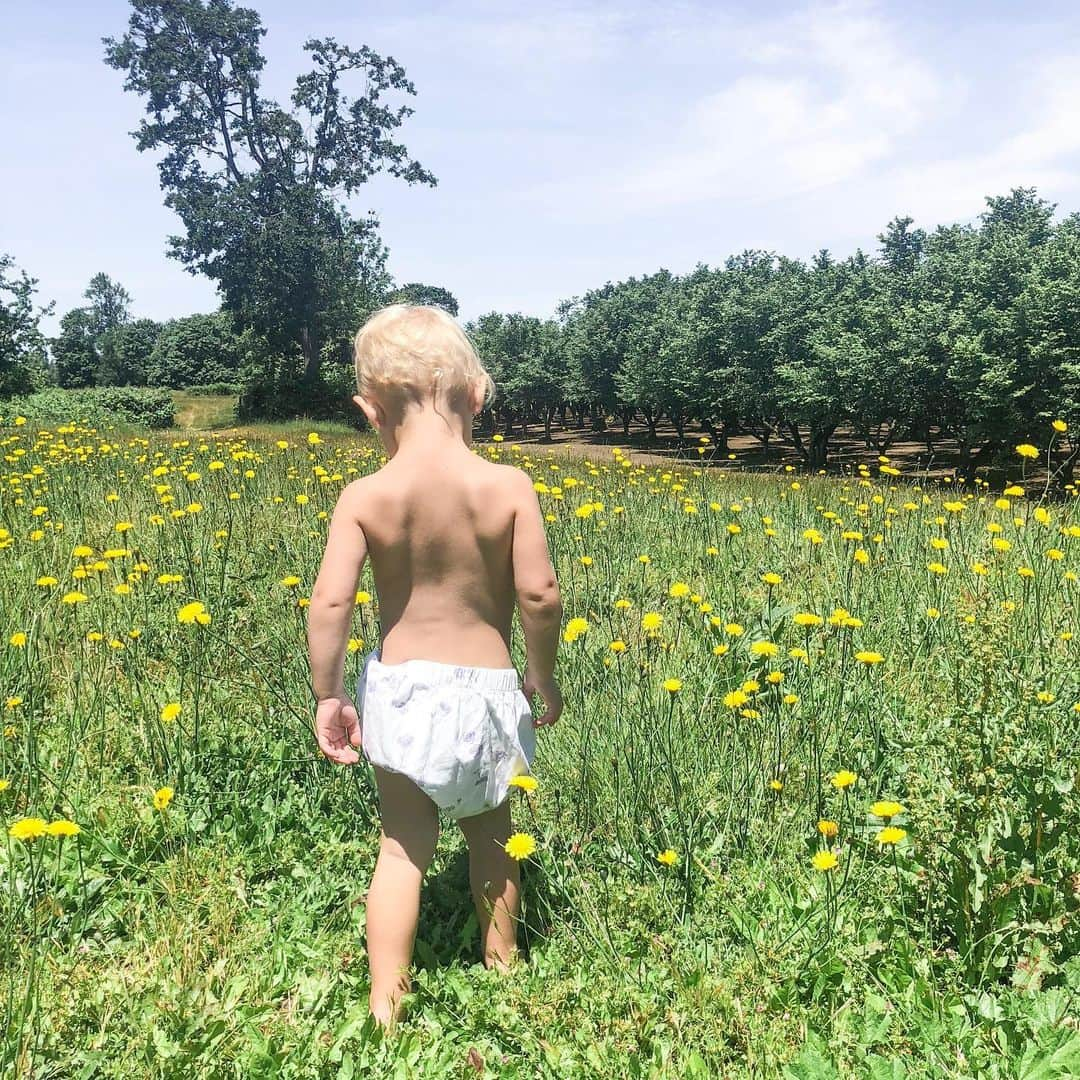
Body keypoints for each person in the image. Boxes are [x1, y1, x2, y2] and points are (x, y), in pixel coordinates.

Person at [305, 304, 564, 1028]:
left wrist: (328, 694)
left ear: (368, 410)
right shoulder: (508, 486)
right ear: (478, 396)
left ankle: (386, 1001)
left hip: (401, 691)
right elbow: (540, 593)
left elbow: (329, 602)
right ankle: (503, 967)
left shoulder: (368, 496)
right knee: (493, 838)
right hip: (486, 694)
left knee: (400, 849)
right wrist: (541, 673)